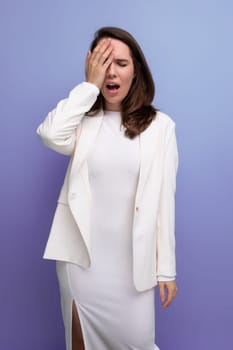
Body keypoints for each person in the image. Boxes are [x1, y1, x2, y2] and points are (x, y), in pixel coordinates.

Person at [36, 26, 178, 350]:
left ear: (137, 71)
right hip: (82, 266)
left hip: (132, 271)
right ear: (93, 66)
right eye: (104, 62)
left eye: (122, 63)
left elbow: (163, 203)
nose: (112, 71)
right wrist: (89, 86)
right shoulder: (82, 123)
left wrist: (166, 270)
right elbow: (49, 134)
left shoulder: (161, 128)